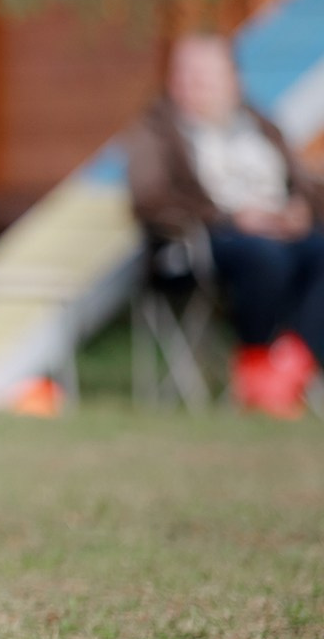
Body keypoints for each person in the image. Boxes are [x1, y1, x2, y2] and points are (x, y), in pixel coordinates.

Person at [126, 34, 324, 416]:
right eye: (183, 73)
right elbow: (149, 199)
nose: (190, 83)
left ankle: (291, 362)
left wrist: (299, 209)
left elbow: (303, 182)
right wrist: (232, 218)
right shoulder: (157, 129)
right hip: (205, 241)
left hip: (280, 231)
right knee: (263, 257)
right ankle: (256, 366)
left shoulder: (260, 125)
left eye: (203, 75)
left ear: (234, 80)